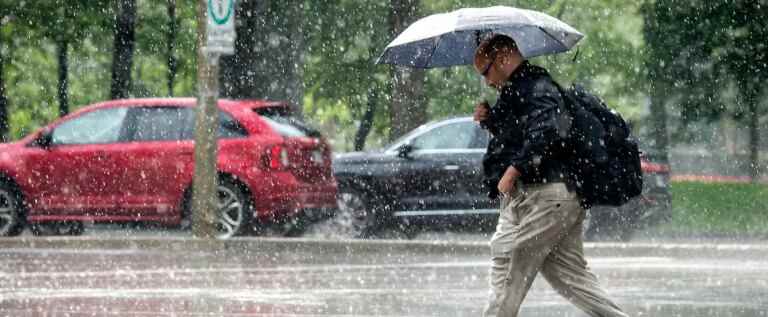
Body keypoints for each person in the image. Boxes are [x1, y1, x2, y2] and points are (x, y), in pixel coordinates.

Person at [473, 34, 629, 317]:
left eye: (486, 71)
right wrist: (490, 121)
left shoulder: (537, 87)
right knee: (569, 276)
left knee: (512, 258)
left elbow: (547, 132)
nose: (486, 80)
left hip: (549, 195)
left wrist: (513, 170)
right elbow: (518, 136)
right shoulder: (518, 89)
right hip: (547, 196)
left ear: (504, 58)